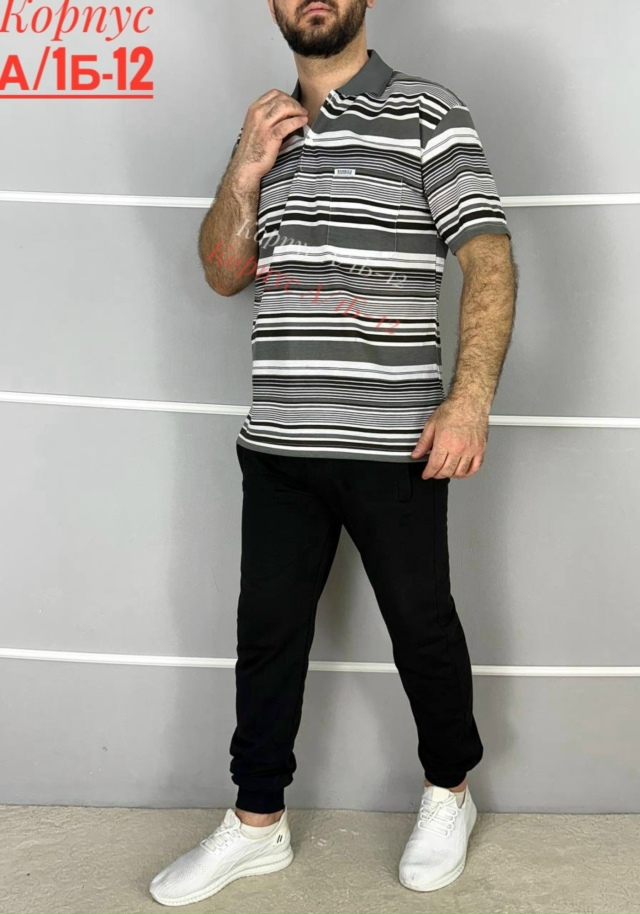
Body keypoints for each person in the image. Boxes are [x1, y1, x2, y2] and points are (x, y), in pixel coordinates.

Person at [150, 0, 517, 905]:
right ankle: (257, 824)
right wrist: (245, 168)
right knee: (267, 636)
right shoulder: (267, 126)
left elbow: (490, 259)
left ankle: (449, 791)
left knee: (421, 629)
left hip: (395, 444)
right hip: (279, 441)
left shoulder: (428, 110)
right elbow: (223, 273)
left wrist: (469, 400)